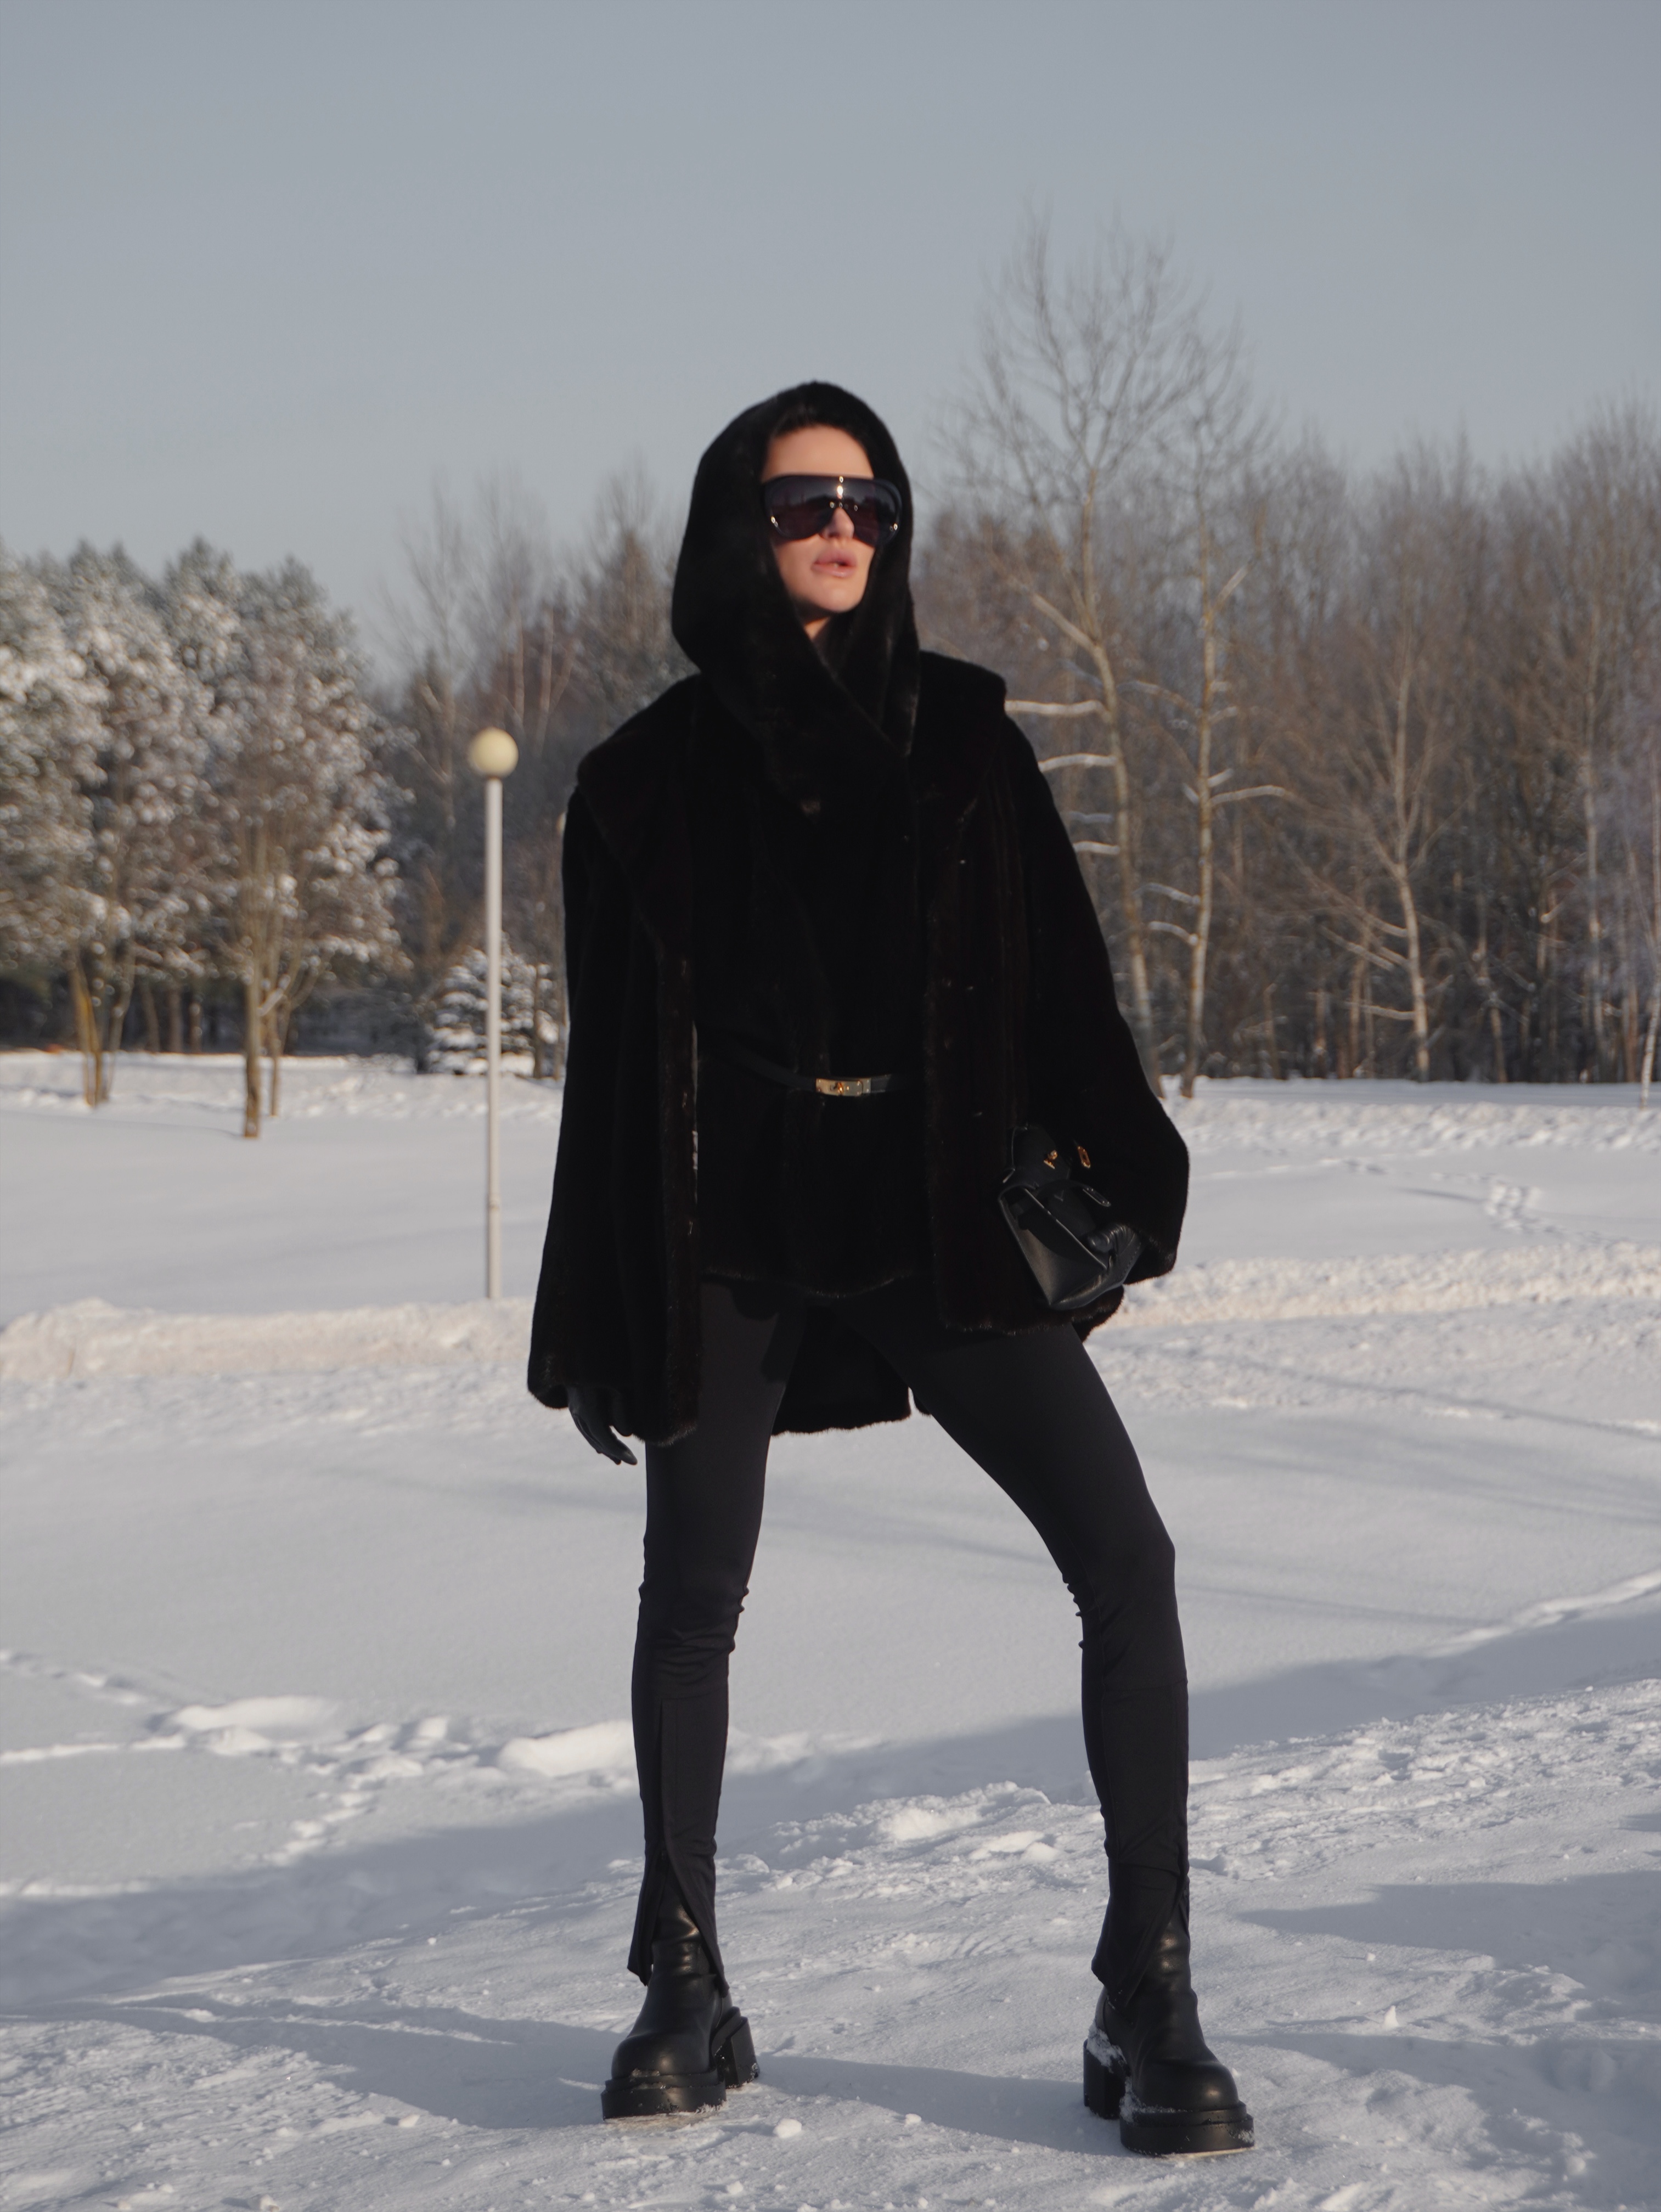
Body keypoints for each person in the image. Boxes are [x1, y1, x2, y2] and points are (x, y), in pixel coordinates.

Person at [527, 382, 1253, 2155]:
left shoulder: (966, 741)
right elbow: (609, 1081)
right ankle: (681, 1981)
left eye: (870, 501)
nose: (843, 527)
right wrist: (596, 1313)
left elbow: (1064, 984)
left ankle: (1147, 1991)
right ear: (738, 528)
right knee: (691, 1599)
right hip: (730, 1228)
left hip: (935, 1216)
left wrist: (1123, 1180)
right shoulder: (641, 785)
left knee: (1128, 1560)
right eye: (804, 504)